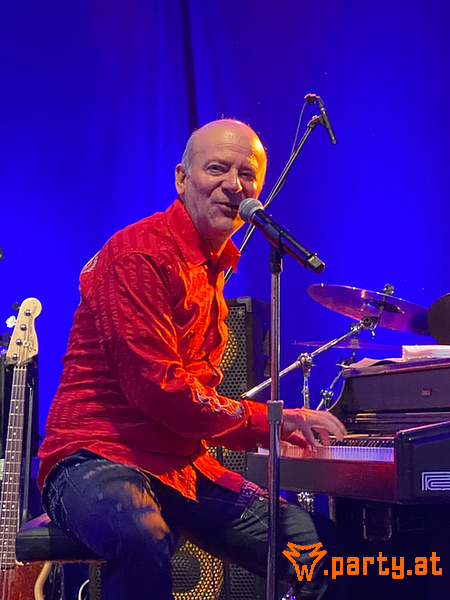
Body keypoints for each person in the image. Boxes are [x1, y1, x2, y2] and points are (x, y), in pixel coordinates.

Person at [37, 119, 346, 600]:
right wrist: (273, 421)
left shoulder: (213, 265)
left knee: (323, 549)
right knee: (139, 536)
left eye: (247, 174)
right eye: (217, 169)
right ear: (182, 179)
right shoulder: (139, 254)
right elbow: (158, 389)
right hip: (95, 457)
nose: (234, 185)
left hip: (182, 467)